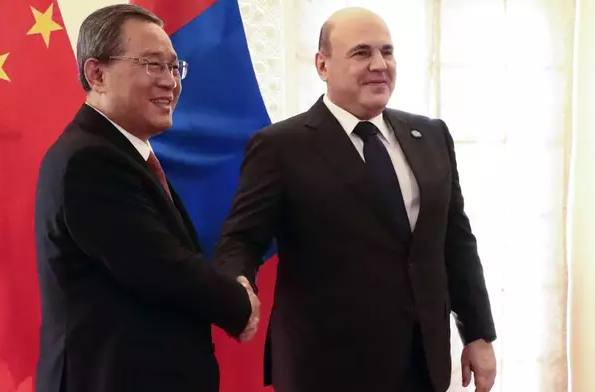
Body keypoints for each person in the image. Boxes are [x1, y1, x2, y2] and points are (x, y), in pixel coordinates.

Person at [213, 6, 497, 392]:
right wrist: (238, 284)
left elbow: (455, 241)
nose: (380, 64)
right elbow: (242, 239)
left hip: (421, 361)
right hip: (325, 367)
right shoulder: (281, 147)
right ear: (323, 65)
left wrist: (478, 334)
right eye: (362, 53)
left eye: (388, 51)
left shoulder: (431, 135)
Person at [33, 4, 258, 392]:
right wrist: (236, 303)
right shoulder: (90, 160)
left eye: (174, 68)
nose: (171, 82)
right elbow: (160, 267)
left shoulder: (121, 154)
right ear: (97, 73)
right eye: (153, 65)